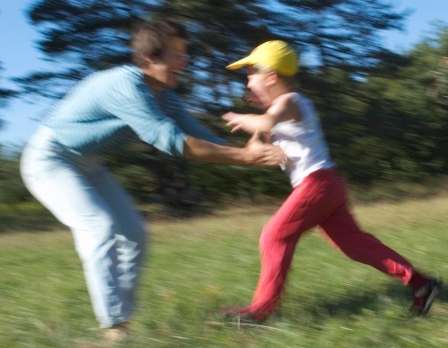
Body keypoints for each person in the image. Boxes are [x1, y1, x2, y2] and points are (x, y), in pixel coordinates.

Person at [19, 20, 284, 343]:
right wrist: (245, 157)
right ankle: (114, 328)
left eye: (183, 54)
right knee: (98, 227)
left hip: (88, 165)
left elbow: (196, 134)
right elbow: (170, 140)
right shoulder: (125, 85)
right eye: (176, 54)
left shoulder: (164, 96)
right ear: (148, 60)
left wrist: (247, 151)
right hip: (50, 159)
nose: (184, 62)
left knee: (135, 234)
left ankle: (123, 323)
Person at [221, 40, 442, 322]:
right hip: (327, 185)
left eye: (251, 74)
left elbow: (264, 125)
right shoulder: (282, 107)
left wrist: (240, 117)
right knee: (353, 244)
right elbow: (262, 139)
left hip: (317, 184)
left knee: (274, 235)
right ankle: (421, 284)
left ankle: (260, 310)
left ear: (271, 77)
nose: (247, 82)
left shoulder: (290, 101)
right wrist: (260, 128)